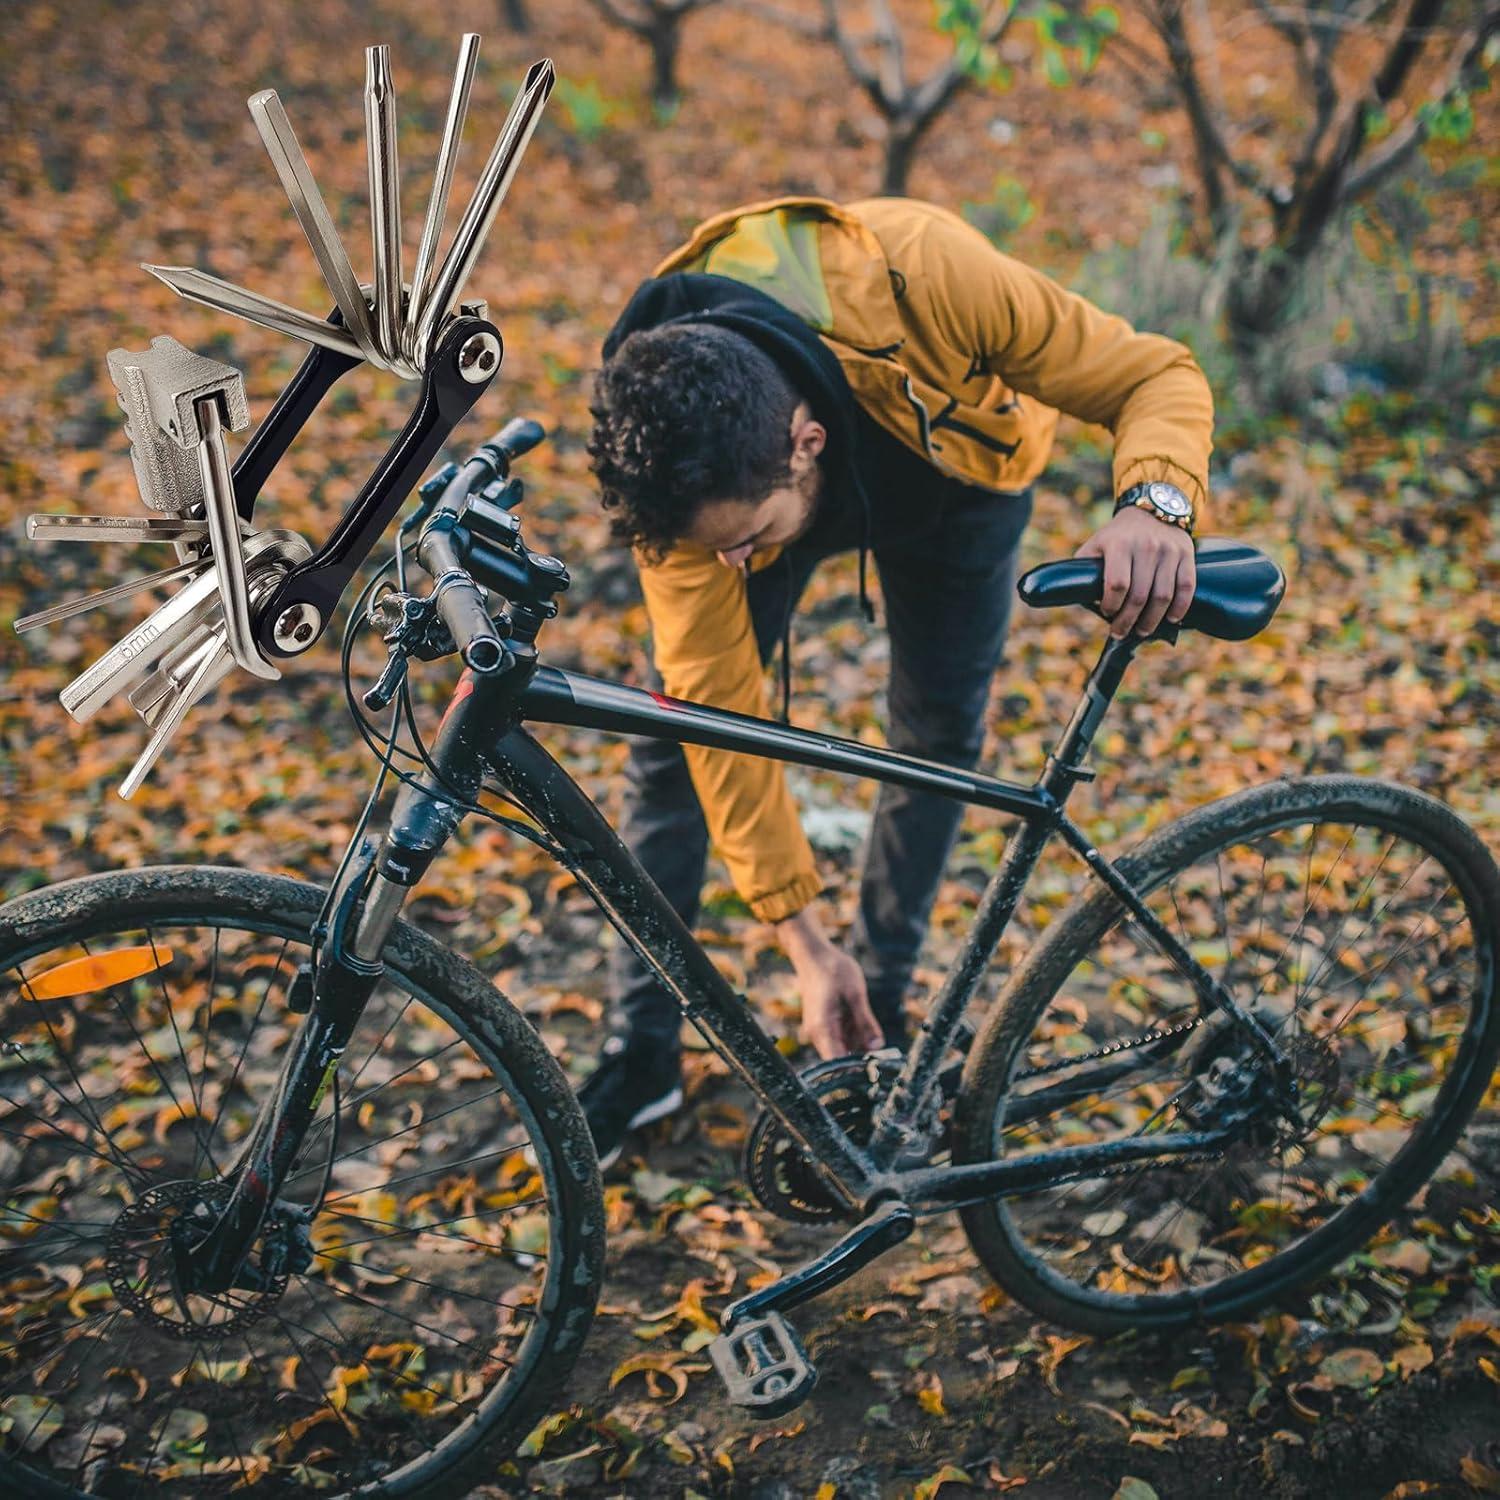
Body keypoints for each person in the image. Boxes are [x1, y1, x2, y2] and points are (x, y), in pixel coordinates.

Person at [578, 195, 1212, 1168]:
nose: (736, 567)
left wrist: (1155, 506)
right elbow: (719, 712)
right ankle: (642, 1052)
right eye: (718, 553)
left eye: (748, 543)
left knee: (937, 733)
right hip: (756, 492)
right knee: (671, 746)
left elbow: (1154, 371)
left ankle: (882, 999)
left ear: (806, 440)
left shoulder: (932, 274)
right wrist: (801, 942)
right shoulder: (673, 471)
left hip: (958, 483)